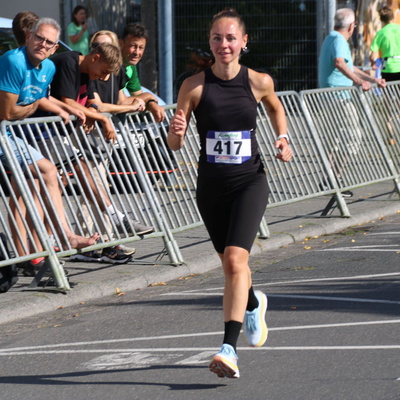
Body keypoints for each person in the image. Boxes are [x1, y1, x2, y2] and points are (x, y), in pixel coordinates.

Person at [168, 8, 292, 379]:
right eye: (217, 38)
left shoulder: (258, 81)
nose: (224, 44)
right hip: (211, 188)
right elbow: (175, 143)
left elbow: (276, 107)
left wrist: (282, 137)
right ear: (210, 42)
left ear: (243, 42)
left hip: (249, 182)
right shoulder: (193, 86)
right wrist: (175, 132)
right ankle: (253, 302)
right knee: (230, 265)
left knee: (236, 262)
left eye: (231, 38)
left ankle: (228, 350)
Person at [0, 17, 99, 271]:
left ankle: (34, 253)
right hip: (5, 131)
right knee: (44, 174)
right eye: (39, 38)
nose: (43, 44)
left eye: (49, 42)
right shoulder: (13, 61)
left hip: (12, 134)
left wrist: (67, 109)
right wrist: (33, 106)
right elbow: (8, 113)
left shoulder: (48, 68)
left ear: (55, 48)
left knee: (34, 184)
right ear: (28, 37)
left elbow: (40, 97)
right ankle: (61, 237)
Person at [47, 42, 154, 241]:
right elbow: (68, 102)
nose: (103, 78)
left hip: (56, 132)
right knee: (79, 170)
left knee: (56, 184)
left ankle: (53, 239)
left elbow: (91, 102)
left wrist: (92, 113)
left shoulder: (88, 71)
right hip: (42, 132)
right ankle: (116, 220)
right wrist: (102, 119)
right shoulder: (70, 62)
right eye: (103, 72)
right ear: (95, 58)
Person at [74, 30, 147, 261]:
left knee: (95, 189)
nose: (100, 51)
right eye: (96, 46)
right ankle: (104, 242)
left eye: (106, 46)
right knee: (96, 187)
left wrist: (149, 102)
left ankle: (94, 242)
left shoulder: (116, 71)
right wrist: (122, 110)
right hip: (86, 135)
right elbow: (98, 105)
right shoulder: (90, 71)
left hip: (104, 138)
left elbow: (124, 98)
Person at [318, 8, 386, 197]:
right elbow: (340, 63)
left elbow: (349, 66)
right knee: (352, 137)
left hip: (330, 97)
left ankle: (329, 180)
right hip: (339, 98)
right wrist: (359, 82)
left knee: (333, 139)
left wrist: (372, 79)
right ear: (351, 26)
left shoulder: (331, 38)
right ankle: (334, 179)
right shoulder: (339, 40)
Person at [119, 23, 165, 122]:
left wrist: (151, 102)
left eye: (141, 48)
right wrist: (149, 96)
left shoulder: (131, 67)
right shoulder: (112, 67)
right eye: (133, 46)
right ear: (121, 44)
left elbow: (138, 97)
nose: (137, 52)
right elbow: (120, 102)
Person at [370, 6, 400, 82]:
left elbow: (373, 56)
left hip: (388, 68)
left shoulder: (380, 33)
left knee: (389, 89)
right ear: (393, 16)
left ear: (381, 20)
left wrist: (373, 63)